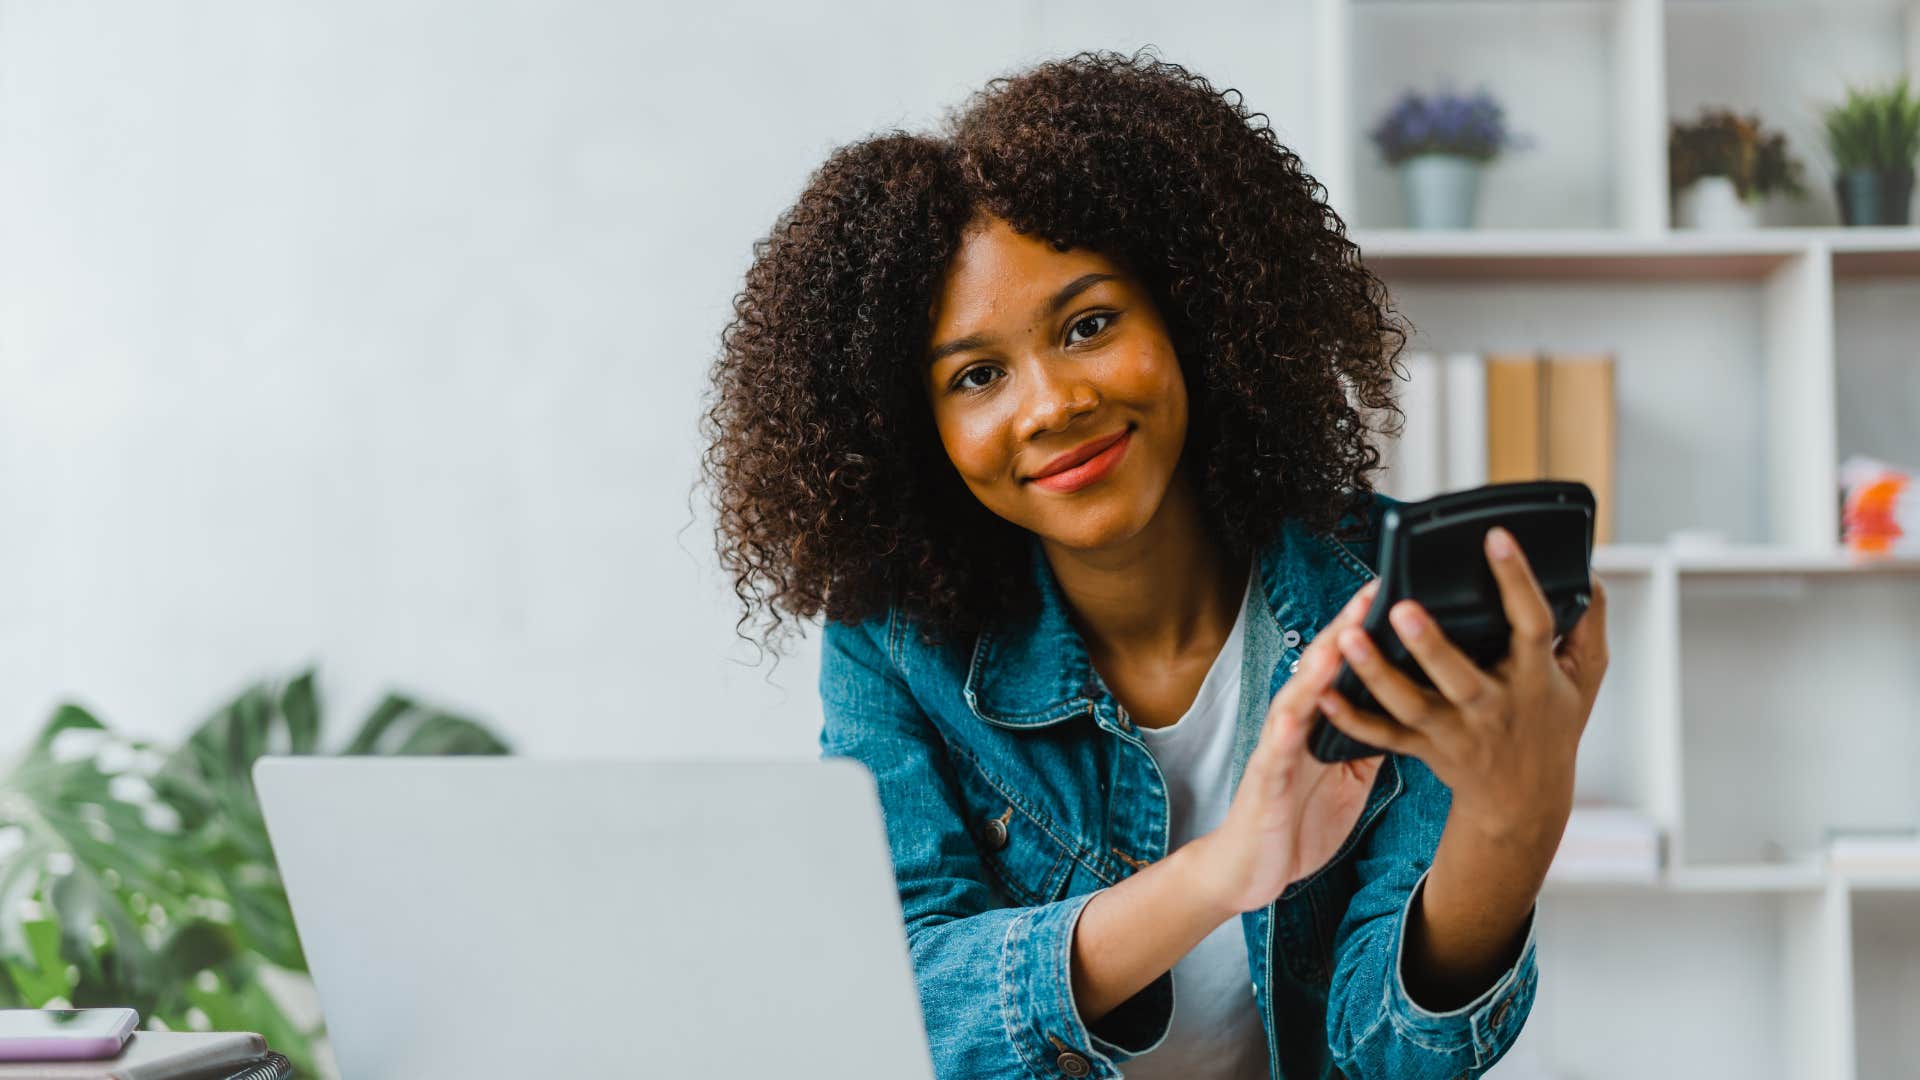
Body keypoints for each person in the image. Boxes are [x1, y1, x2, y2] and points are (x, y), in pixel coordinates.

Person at [699, 48, 1609, 1080]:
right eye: (978, 376)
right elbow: (911, 1004)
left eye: (1090, 324)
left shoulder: (1378, 602)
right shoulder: (892, 644)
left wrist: (1514, 823)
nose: (1050, 405)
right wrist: (1227, 870)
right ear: (916, 429)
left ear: (1195, 316)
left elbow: (1393, 1057)